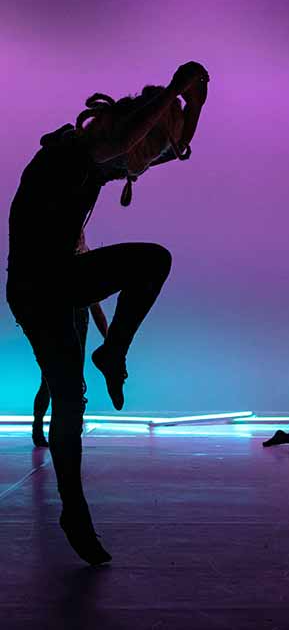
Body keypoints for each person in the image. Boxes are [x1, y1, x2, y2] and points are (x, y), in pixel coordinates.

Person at [7, 61, 209, 565]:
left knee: (152, 260)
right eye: (143, 148)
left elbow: (167, 150)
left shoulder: (96, 164)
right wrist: (174, 89)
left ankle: (112, 352)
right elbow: (126, 139)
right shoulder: (69, 153)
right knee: (67, 399)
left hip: (64, 279)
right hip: (37, 288)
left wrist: (196, 105)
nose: (139, 164)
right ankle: (73, 511)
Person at [32, 231, 108, 448]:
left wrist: (108, 337)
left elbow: (95, 306)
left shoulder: (82, 258)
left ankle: (65, 430)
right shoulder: (56, 260)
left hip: (76, 324)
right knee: (50, 380)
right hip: (58, 322)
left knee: (67, 380)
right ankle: (43, 428)